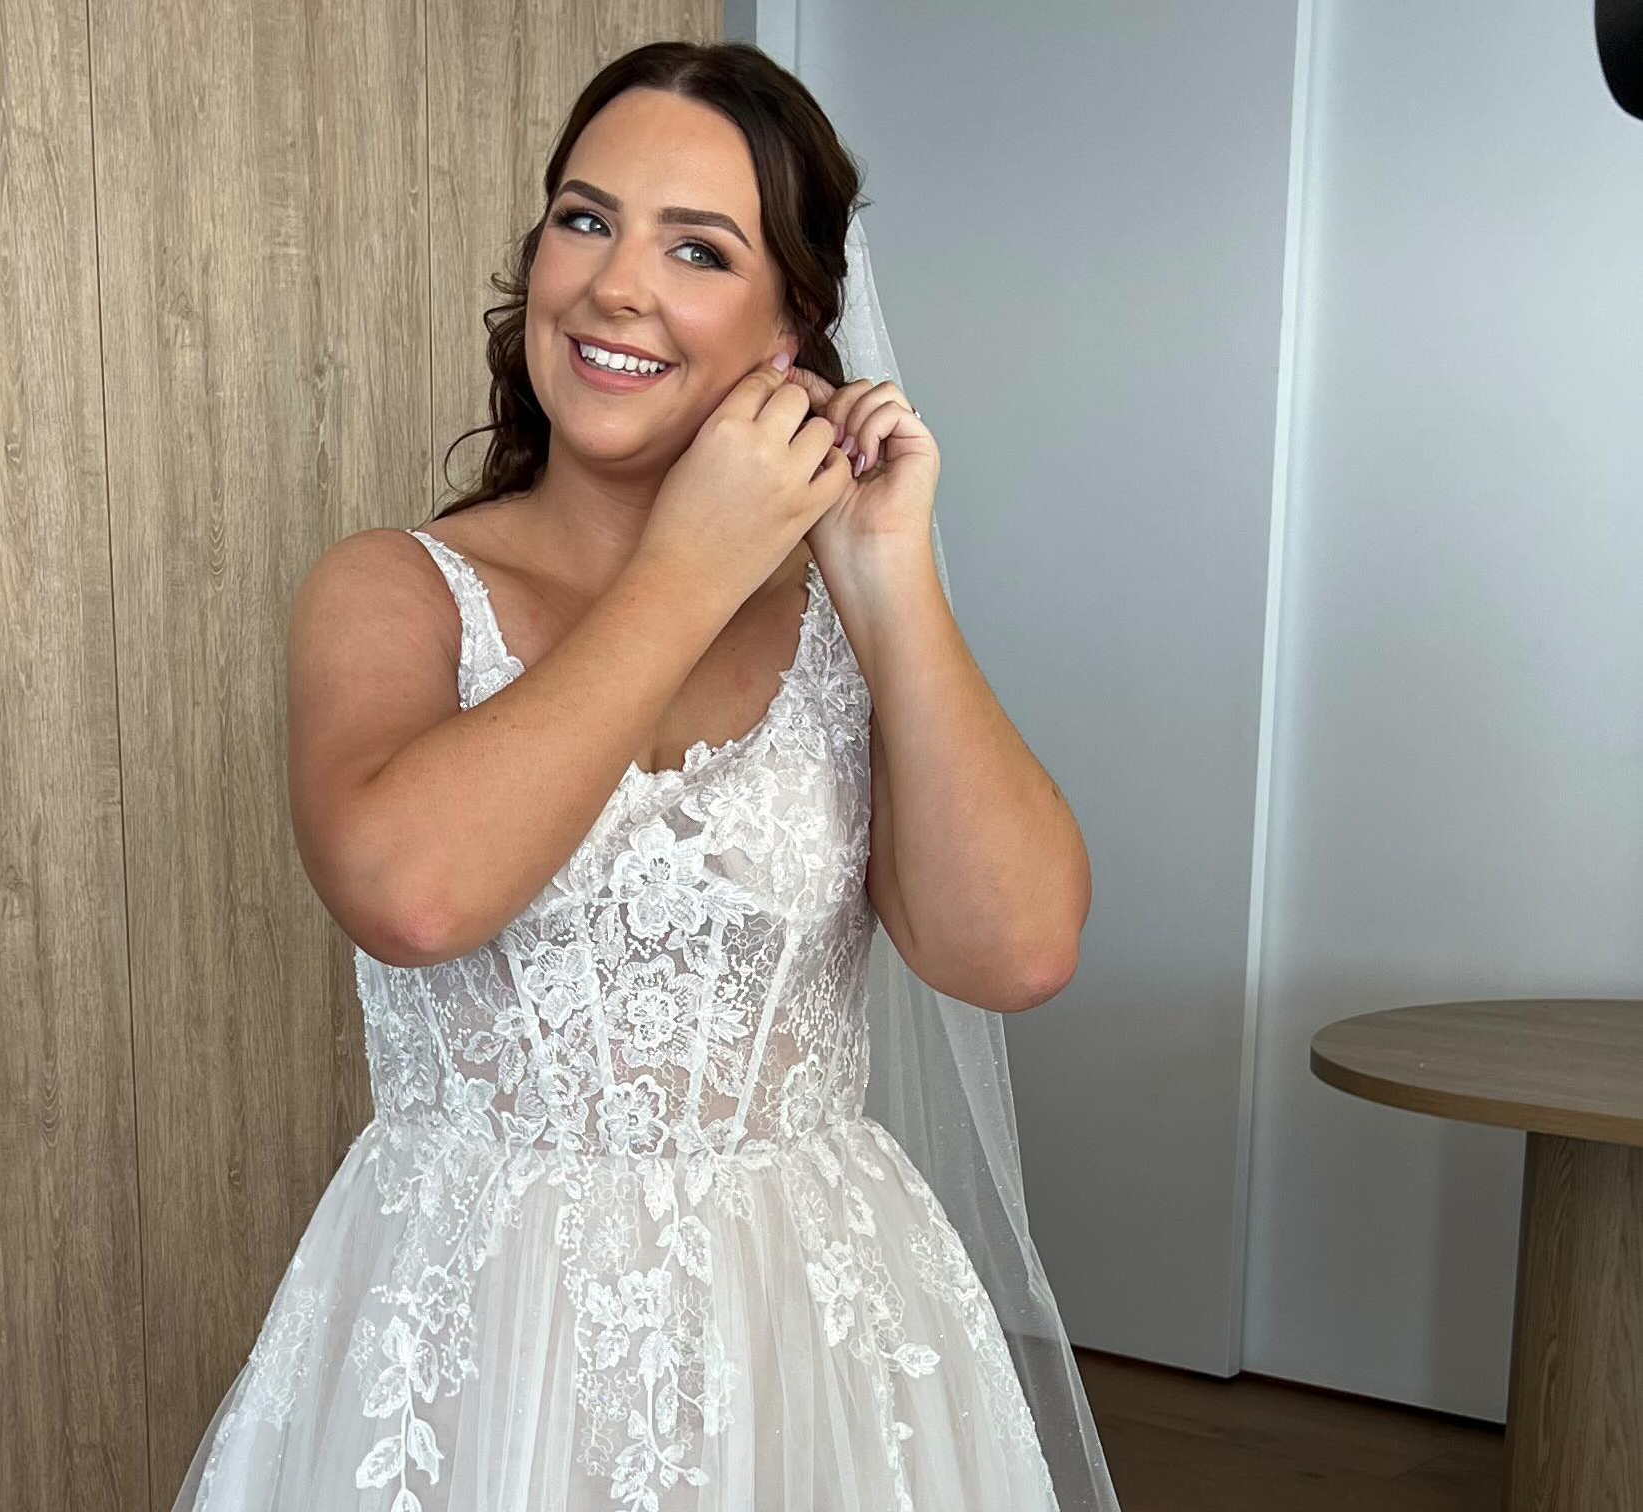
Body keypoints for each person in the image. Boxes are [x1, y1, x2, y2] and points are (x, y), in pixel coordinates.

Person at [175, 39, 1119, 1512]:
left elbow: (1016, 951)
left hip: (810, 1329)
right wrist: (688, 566)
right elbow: (414, 898)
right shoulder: (396, 592)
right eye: (586, 219)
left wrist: (890, 583)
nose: (617, 285)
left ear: (792, 325)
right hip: (479, 1338)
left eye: (698, 249)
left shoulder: (840, 626)